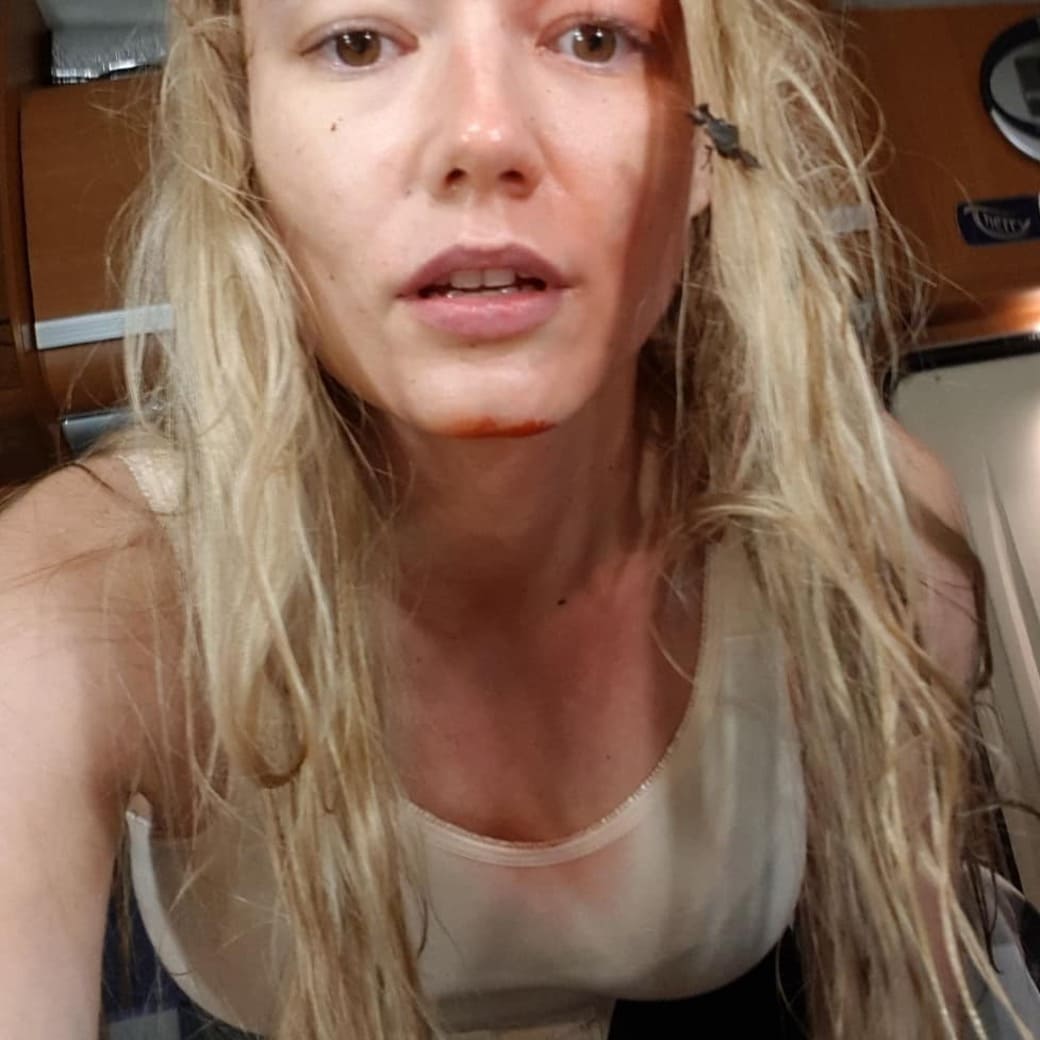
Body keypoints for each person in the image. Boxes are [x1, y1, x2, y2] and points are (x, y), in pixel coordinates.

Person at [0, 0, 1032, 1037]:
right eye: (358, 43)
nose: (483, 135)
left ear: (706, 141)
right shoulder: (66, 611)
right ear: (243, 133)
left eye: (594, 37)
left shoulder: (871, 539)